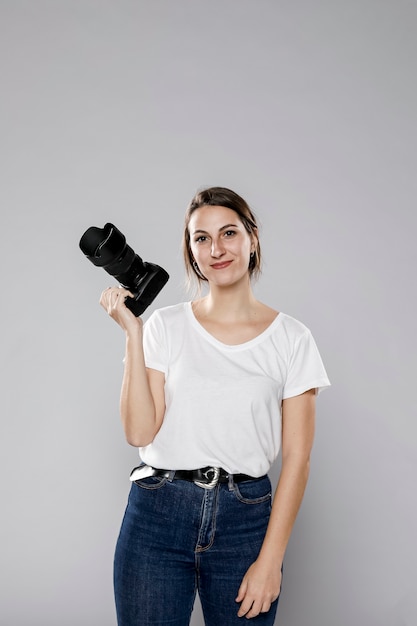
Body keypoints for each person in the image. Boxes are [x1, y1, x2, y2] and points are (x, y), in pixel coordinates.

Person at [100, 187, 330, 626]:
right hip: (156, 516)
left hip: (244, 522)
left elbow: (298, 460)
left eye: (228, 233)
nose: (216, 249)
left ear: (253, 239)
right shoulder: (165, 326)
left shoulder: (292, 339)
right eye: (201, 238)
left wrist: (271, 561)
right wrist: (133, 333)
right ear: (190, 250)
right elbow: (139, 433)